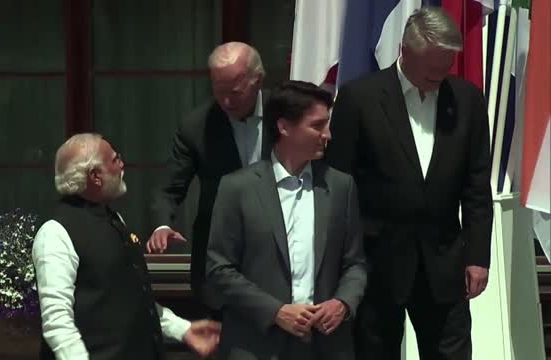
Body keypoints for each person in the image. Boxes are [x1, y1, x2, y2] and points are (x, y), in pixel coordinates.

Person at [325, 7, 493, 360]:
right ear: (404, 50)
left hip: (445, 262)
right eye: (432, 68)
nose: (440, 75)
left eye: (446, 65)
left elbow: (477, 186)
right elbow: (339, 184)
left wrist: (478, 256)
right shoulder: (359, 99)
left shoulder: (467, 100)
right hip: (376, 260)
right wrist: (342, 261)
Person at [206, 81, 367, 360]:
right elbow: (219, 269)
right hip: (257, 345)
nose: (327, 134)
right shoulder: (237, 188)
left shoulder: (341, 187)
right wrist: (276, 312)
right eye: (317, 126)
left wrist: (343, 303)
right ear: (284, 127)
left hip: (326, 347)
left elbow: (355, 263)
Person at [32, 133, 220, 360]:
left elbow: (132, 299)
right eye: (114, 159)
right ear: (95, 176)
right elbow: (57, 322)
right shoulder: (55, 233)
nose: (122, 164)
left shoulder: (115, 220)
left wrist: (183, 329)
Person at [147, 42, 273, 314]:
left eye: (235, 92)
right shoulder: (197, 126)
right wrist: (162, 226)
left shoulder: (285, 115)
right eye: (219, 90)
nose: (226, 101)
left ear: (259, 80)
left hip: (279, 255)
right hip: (220, 259)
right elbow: (168, 189)